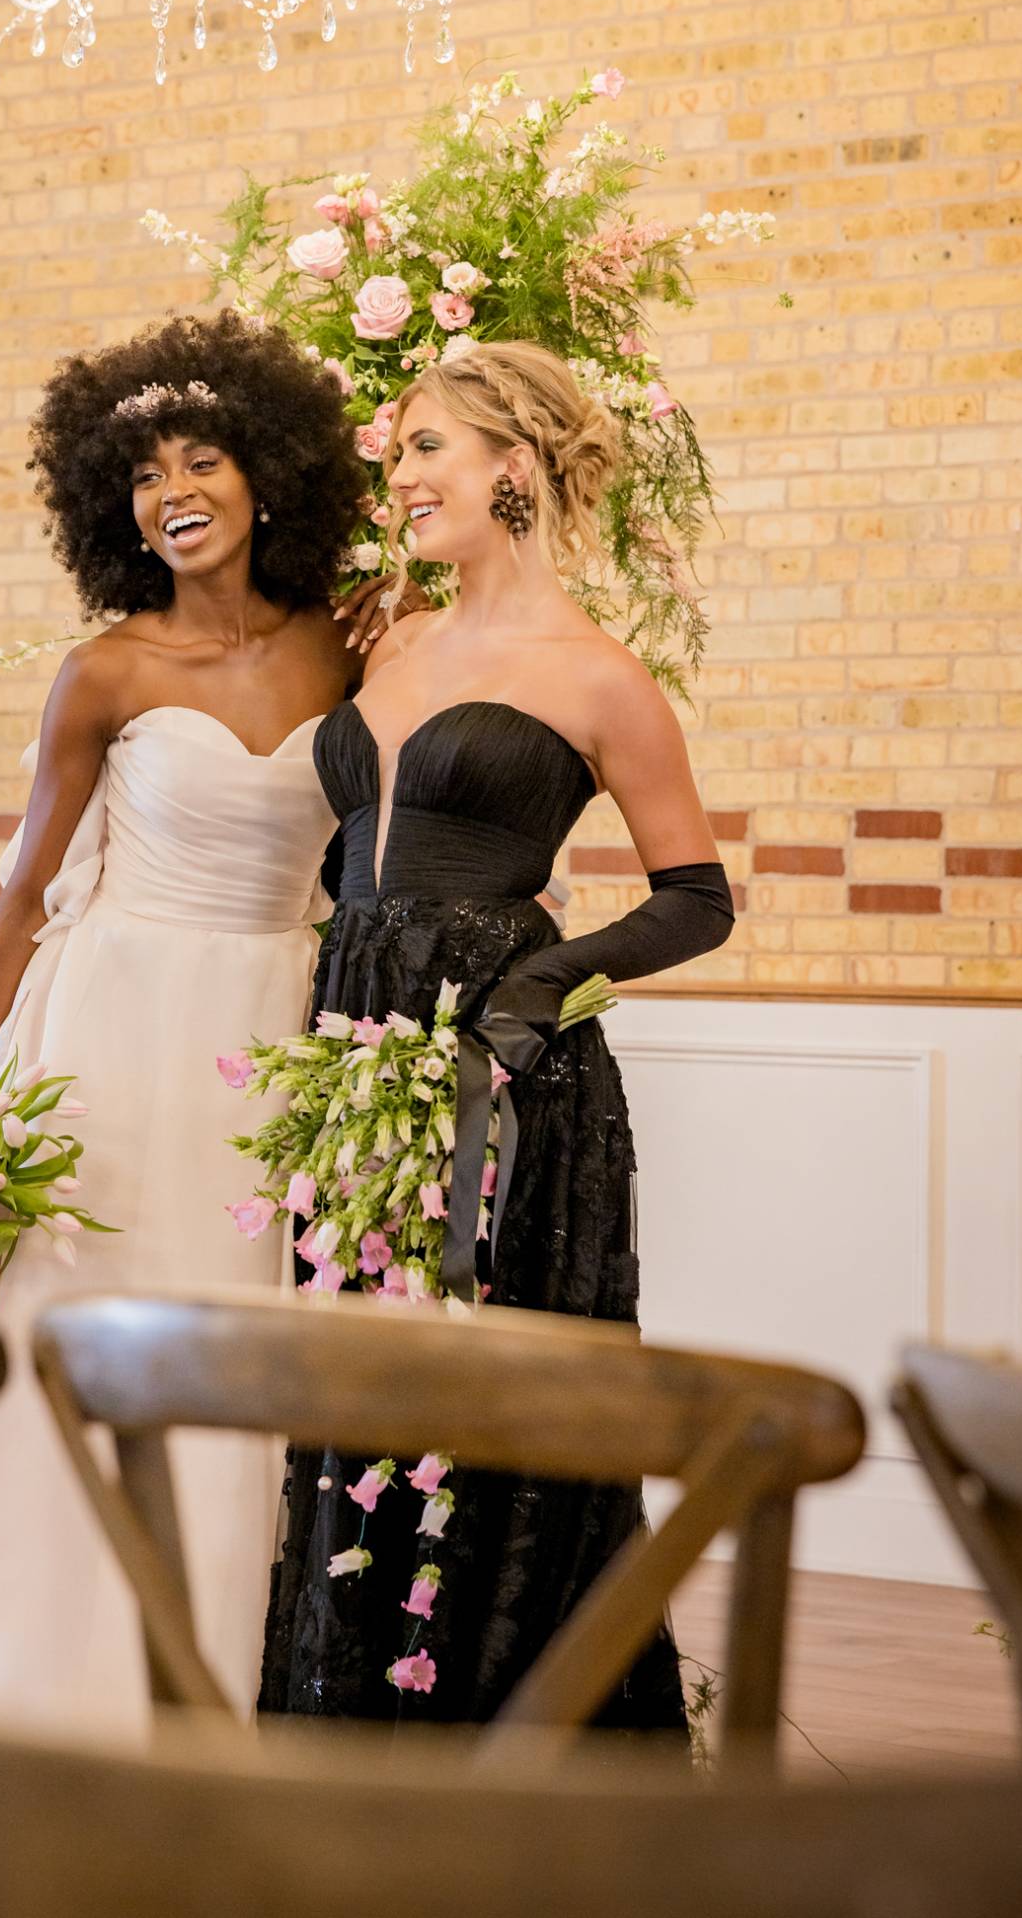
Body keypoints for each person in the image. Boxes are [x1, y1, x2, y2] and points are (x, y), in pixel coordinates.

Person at [258, 338, 735, 1730]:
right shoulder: (390, 638)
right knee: (358, 1389)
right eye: (397, 453)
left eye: (426, 449)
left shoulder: (598, 675)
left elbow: (698, 900)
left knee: (491, 1407)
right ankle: (344, 1727)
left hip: (503, 1070)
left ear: (512, 467)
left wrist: (542, 991)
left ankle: (503, 1742)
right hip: (352, 1051)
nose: (399, 477)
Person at [0, 309, 379, 1732]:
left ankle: (207, 1691)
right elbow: (20, 904)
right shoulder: (108, 673)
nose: (171, 492)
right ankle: (39, 1686)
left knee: (238, 1346)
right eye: (142, 475)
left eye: (201, 460)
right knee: (90, 1333)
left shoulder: (347, 651)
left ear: (269, 477)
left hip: (274, 1042)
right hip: (113, 1044)